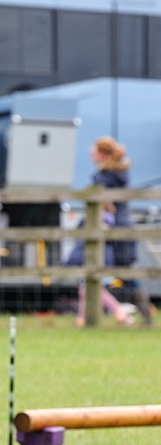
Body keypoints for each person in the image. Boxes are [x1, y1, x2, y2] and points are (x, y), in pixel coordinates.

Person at [71, 136, 153, 325]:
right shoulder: (118, 175)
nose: (91, 154)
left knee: (106, 272)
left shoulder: (106, 178)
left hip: (112, 230)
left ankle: (105, 316)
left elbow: (104, 205)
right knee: (119, 273)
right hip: (120, 228)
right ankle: (91, 317)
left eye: (94, 151)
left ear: (102, 154)